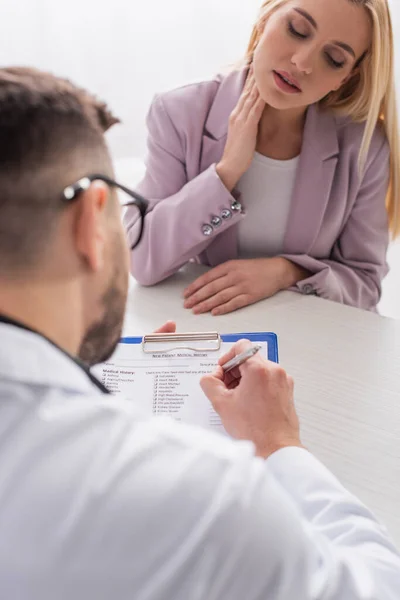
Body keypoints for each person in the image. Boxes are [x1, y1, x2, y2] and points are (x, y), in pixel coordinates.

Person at [0, 66, 399, 600]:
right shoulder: (208, 499)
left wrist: (87, 382)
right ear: (92, 222)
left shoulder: (361, 146)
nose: (305, 63)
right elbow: (375, 587)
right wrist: (279, 444)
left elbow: (364, 276)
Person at [125, 0, 400, 315]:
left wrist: (286, 272)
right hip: (202, 327)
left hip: (309, 338)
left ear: (347, 77)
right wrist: (226, 173)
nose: (302, 62)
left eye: (334, 59)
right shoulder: (179, 112)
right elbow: (142, 261)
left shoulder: (365, 146)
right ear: (265, 17)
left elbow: (365, 286)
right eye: (296, 29)